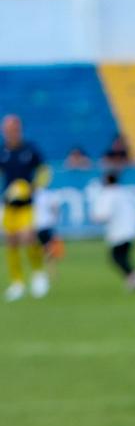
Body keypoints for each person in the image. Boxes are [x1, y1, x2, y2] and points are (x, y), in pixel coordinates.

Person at [2, 115, 52, 301]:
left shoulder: (30, 149)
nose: (10, 131)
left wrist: (34, 187)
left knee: (28, 237)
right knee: (10, 241)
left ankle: (39, 274)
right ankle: (17, 283)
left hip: (27, 205)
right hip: (9, 206)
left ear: (19, 129)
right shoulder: (3, 151)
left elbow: (44, 171)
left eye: (13, 128)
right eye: (6, 128)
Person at [88, 164, 135, 290]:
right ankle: (133, 279)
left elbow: (104, 215)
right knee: (122, 257)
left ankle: (134, 278)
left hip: (119, 231)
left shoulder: (108, 194)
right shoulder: (123, 191)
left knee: (116, 257)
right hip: (131, 229)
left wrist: (95, 218)